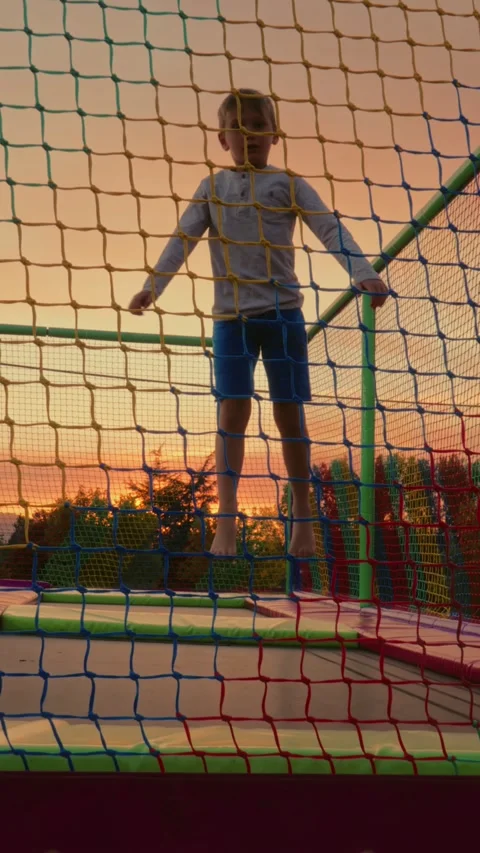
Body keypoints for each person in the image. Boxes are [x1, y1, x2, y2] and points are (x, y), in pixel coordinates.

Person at [129, 88, 388, 558]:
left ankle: (303, 518)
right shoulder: (212, 188)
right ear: (223, 138)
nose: (249, 135)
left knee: (290, 413)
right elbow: (182, 238)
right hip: (232, 320)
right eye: (239, 127)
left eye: (258, 125)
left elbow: (328, 226)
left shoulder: (286, 184)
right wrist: (154, 285)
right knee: (233, 411)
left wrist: (364, 273)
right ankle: (226, 519)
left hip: (284, 314)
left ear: (274, 134)